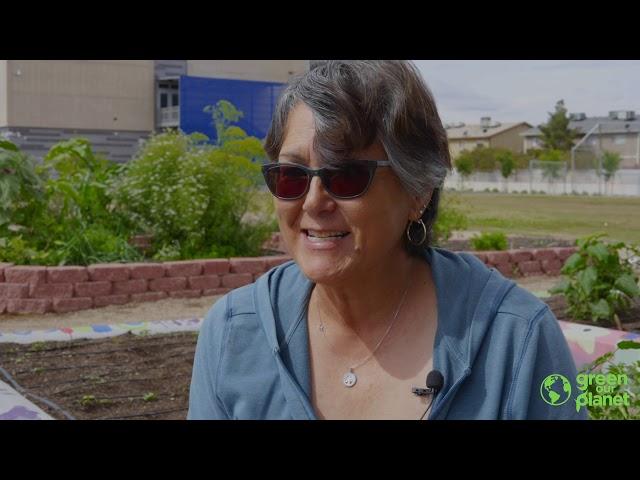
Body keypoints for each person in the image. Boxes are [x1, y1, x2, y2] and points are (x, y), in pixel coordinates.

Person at [188, 60, 585, 420]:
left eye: (345, 176)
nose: (312, 202)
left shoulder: (514, 340)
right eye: (291, 177)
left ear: (419, 192)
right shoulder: (233, 333)